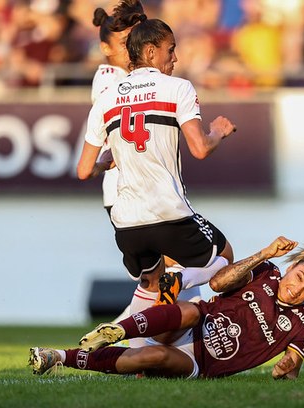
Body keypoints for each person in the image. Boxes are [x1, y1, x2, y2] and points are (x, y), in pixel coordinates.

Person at [76, 18, 236, 309]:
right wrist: (218, 132)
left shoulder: (106, 97)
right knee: (224, 256)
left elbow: (84, 170)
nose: (175, 57)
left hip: (127, 224)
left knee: (151, 286)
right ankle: (182, 282)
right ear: (150, 52)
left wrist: (108, 162)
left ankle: (118, 339)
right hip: (168, 213)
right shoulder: (178, 88)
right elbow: (200, 149)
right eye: (170, 50)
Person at [29, 234, 304, 379]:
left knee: (151, 356)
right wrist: (263, 254)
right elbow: (219, 284)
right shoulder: (266, 273)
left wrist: (285, 369)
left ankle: (56, 357)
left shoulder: (303, 326)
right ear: (291, 266)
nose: (297, 288)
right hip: (185, 323)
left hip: (200, 364)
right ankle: (115, 331)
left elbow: (290, 371)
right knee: (194, 309)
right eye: (299, 277)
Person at [86, 2, 204, 342]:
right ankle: (150, 341)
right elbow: (112, 142)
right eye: (125, 43)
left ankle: (139, 340)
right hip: (131, 190)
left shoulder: (138, 81)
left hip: (145, 187)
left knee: (162, 277)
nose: (131, 49)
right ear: (107, 49)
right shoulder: (110, 80)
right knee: (176, 270)